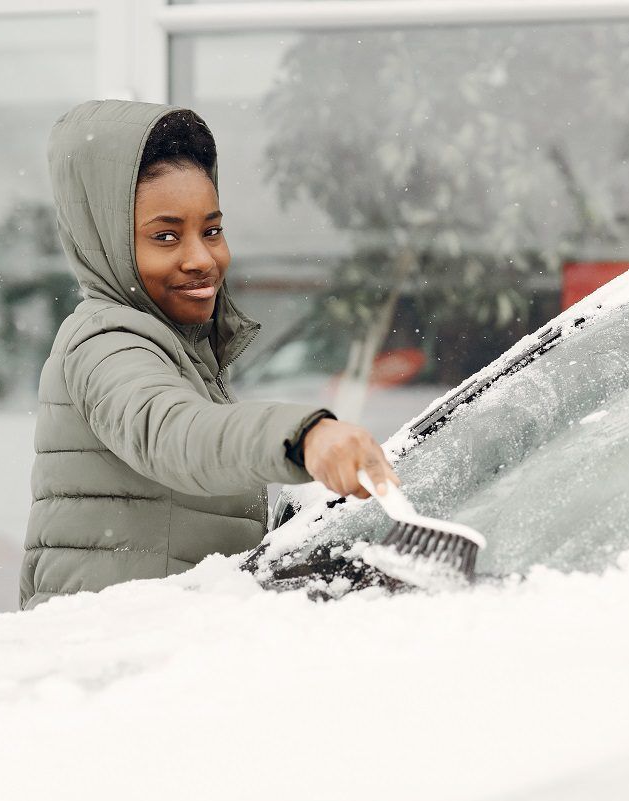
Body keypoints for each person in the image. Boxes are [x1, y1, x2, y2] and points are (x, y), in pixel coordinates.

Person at [21, 100, 398, 609]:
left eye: (212, 231)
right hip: (109, 663)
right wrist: (303, 436)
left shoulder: (174, 345)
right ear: (105, 240)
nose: (202, 259)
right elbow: (173, 432)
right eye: (166, 236)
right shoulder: (105, 341)